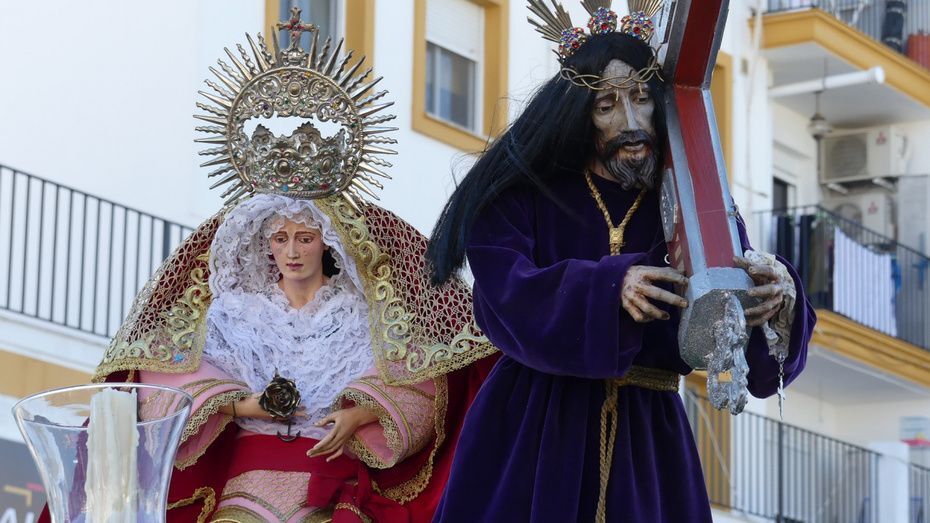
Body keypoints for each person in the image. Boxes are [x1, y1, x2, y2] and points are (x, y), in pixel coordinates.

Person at [70, 10, 497, 523]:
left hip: (331, 477)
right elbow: (166, 372)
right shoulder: (233, 314)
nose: (292, 251)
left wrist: (361, 413)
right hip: (247, 477)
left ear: (327, 243)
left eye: (305, 238)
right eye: (280, 238)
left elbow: (420, 375)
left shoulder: (362, 316)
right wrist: (240, 405)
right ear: (265, 245)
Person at [425, 1, 816, 521]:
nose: (631, 122)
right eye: (607, 105)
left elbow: (739, 343)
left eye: (641, 99)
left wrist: (778, 299)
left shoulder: (695, 207)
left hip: (648, 444)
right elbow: (506, 295)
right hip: (535, 432)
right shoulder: (524, 195)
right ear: (578, 114)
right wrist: (610, 287)